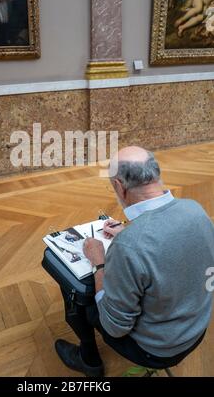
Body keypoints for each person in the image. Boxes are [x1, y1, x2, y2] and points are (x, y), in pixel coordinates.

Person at [55, 146, 214, 377]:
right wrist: (127, 234)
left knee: (75, 290)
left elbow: (114, 327)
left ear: (119, 186)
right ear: (156, 174)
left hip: (157, 350)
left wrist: (99, 263)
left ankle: (88, 360)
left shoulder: (130, 246)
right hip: (197, 329)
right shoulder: (196, 209)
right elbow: (182, 250)